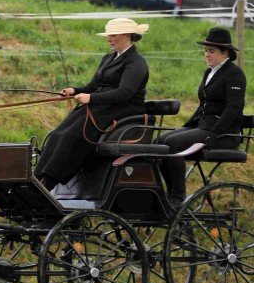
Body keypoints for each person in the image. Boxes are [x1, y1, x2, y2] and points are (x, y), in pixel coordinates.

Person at [35, 17, 150, 190]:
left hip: (121, 109)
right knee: (57, 134)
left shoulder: (136, 62)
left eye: (112, 35)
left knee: (71, 137)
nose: (108, 39)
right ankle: (37, 178)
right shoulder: (108, 58)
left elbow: (124, 93)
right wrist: (74, 90)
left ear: (126, 35)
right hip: (100, 106)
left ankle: (49, 182)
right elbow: (93, 86)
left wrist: (91, 98)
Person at [156, 27, 246, 208]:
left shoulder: (234, 74)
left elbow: (234, 108)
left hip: (223, 134)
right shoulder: (209, 72)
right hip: (203, 125)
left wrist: (215, 133)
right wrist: (187, 126)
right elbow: (204, 104)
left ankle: (178, 196)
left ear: (225, 52)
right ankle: (169, 191)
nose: (206, 54)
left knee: (173, 144)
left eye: (211, 51)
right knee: (159, 141)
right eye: (205, 50)